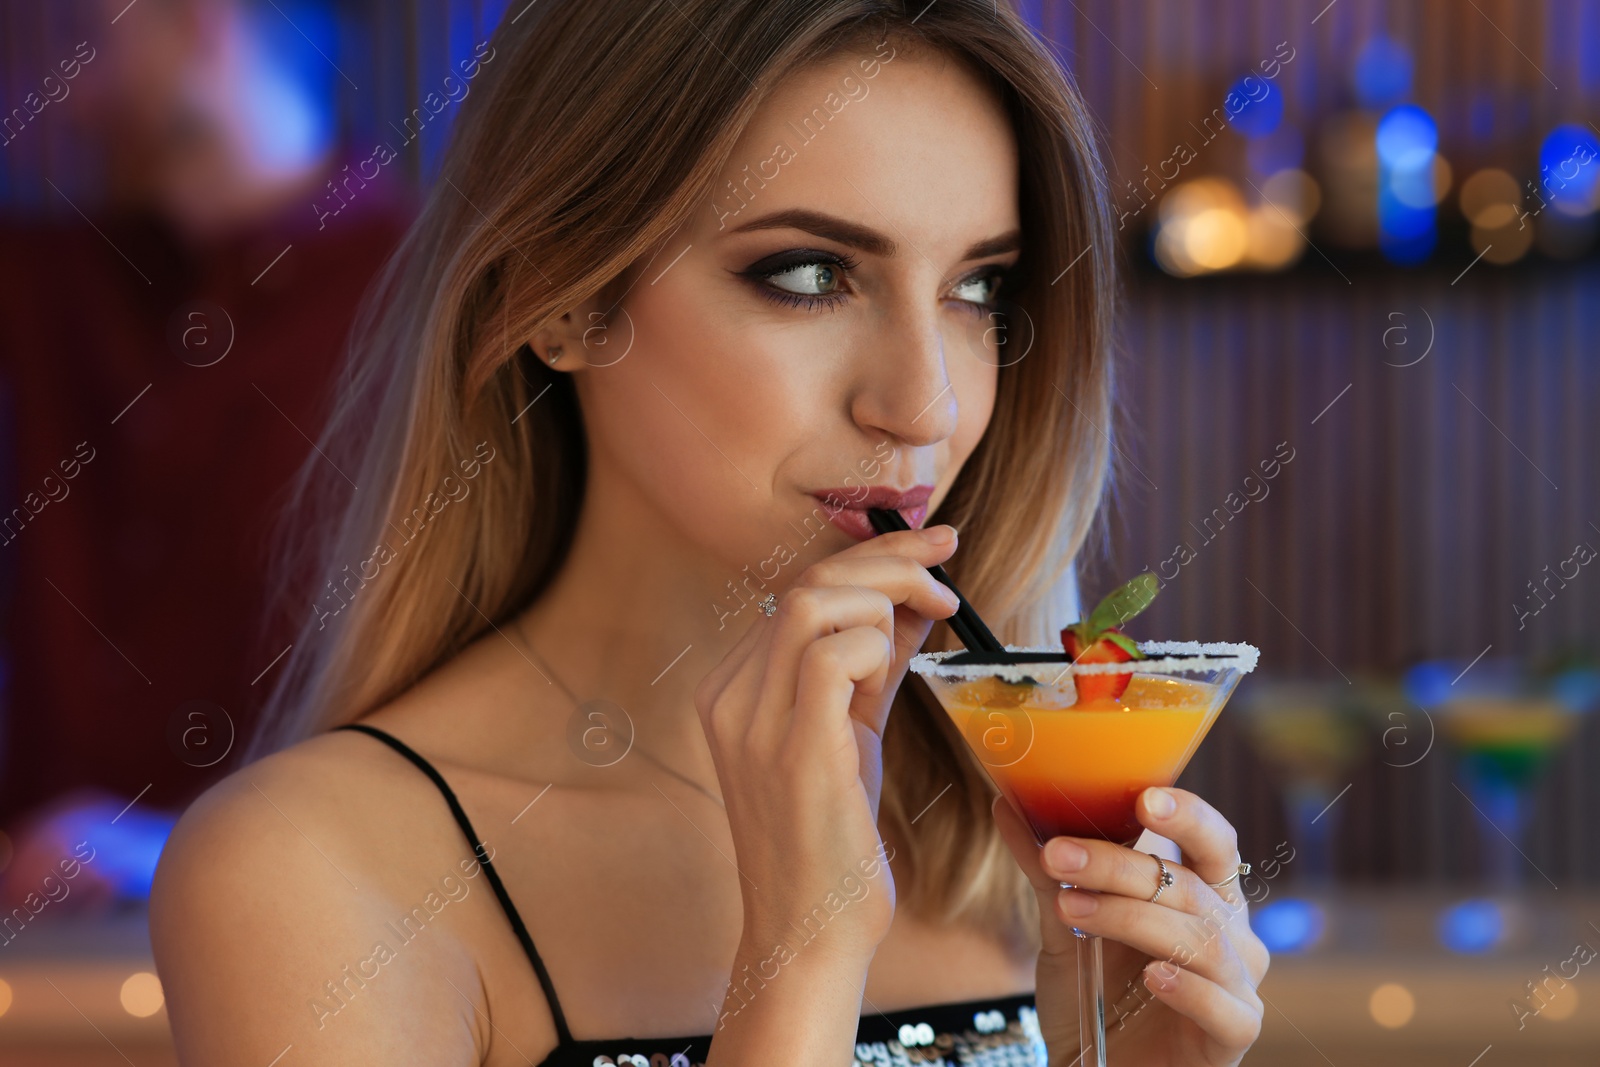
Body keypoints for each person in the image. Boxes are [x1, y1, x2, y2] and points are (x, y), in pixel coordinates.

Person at [149, 2, 1268, 1064]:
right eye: (810, 274)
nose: (923, 404)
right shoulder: (310, 872)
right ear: (561, 298)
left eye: (979, 289)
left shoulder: (1012, 845)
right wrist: (800, 959)